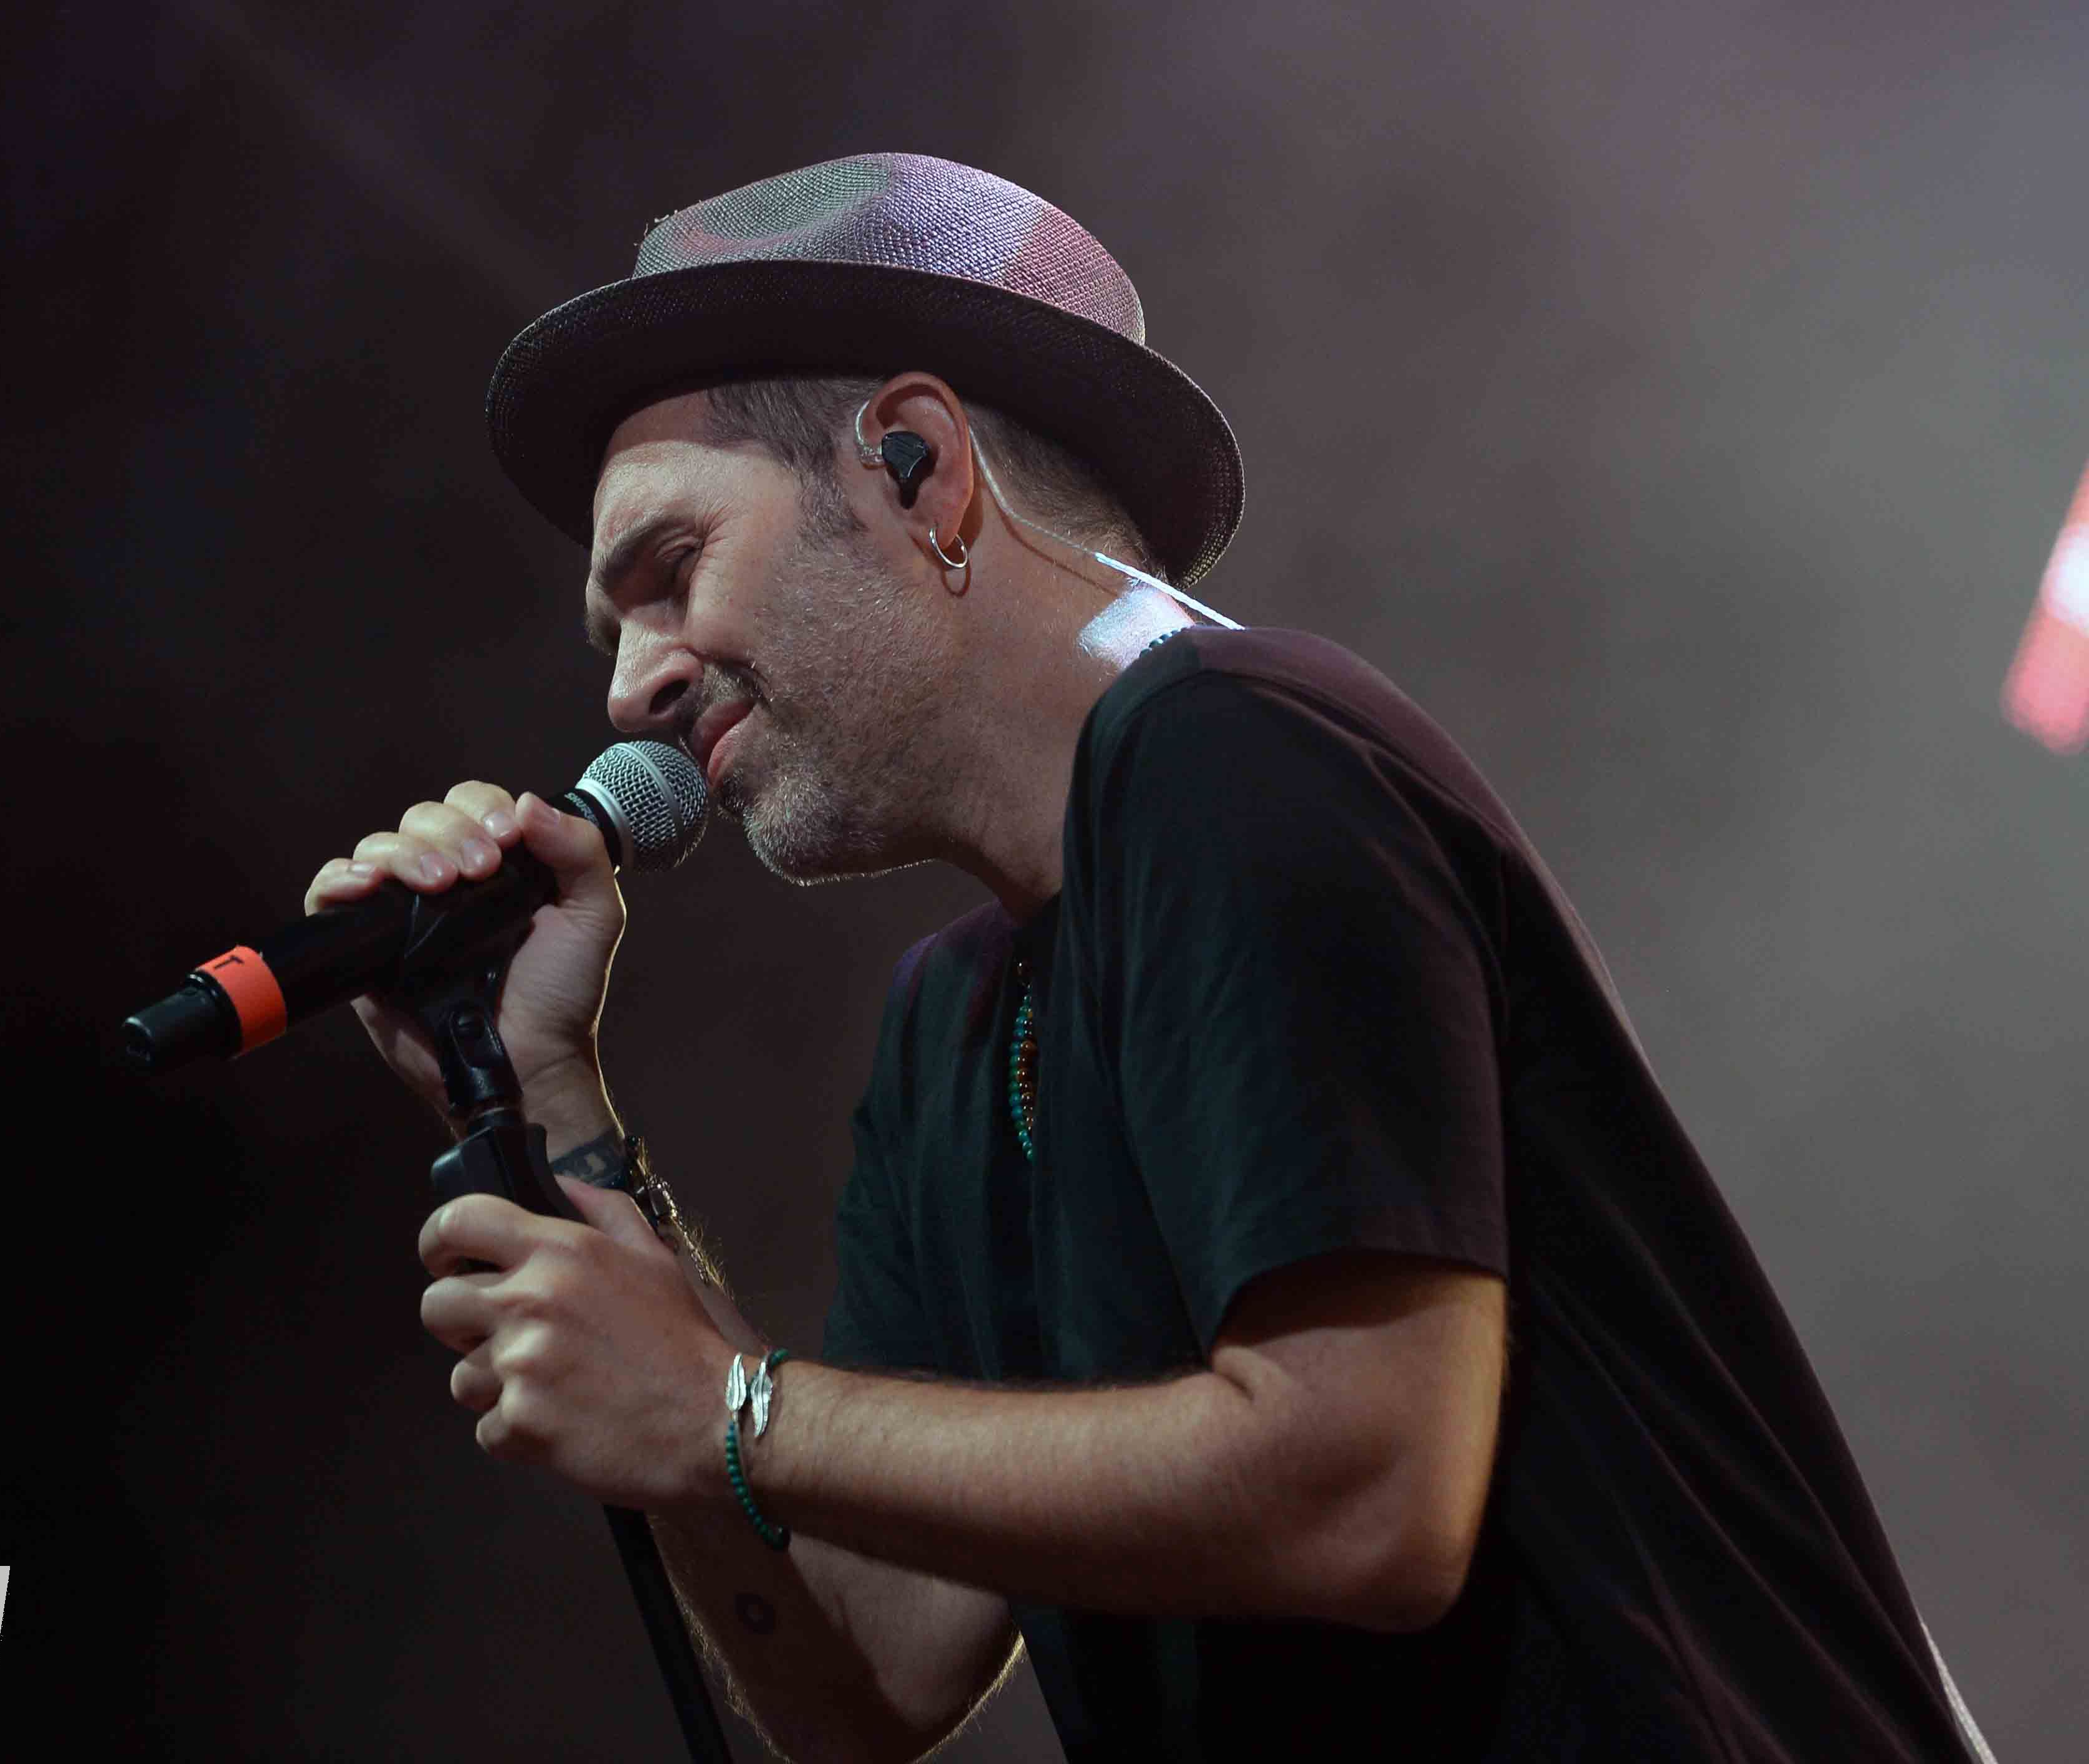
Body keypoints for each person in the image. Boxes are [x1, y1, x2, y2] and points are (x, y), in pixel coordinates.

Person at [307, 155, 1989, 1760]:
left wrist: (726, 1409)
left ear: (916, 466)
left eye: (672, 573)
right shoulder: (958, 1023)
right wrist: (545, 1093)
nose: (633, 688)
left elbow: (1368, 1492)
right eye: (615, 633)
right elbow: (871, 1683)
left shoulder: (1234, 748)